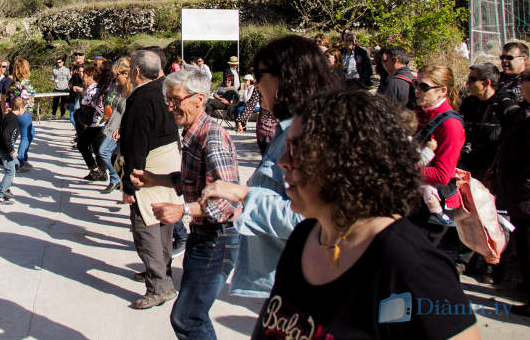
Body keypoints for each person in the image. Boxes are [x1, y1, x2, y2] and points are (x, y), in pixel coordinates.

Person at [250, 89, 479, 339]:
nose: (283, 161)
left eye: (296, 149)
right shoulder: (305, 236)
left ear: (348, 159)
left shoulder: (412, 268)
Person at [201, 35, 342, 298]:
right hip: (283, 279)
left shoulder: (310, 135)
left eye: (259, 74)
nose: (255, 83)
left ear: (285, 77)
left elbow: (311, 220)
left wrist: (244, 195)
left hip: (302, 283)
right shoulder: (284, 131)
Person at [130, 68, 240, 339]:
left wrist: (183, 211)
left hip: (218, 240)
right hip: (204, 239)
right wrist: (157, 179)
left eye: (175, 99)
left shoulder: (211, 137)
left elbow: (226, 199)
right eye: (168, 99)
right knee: (191, 316)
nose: (170, 106)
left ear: (199, 99)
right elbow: (195, 180)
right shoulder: (193, 133)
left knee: (187, 317)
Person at [119, 48, 181, 309]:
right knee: (164, 220)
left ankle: (159, 285)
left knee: (145, 225)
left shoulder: (141, 98)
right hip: (170, 163)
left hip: (149, 167)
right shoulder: (165, 90)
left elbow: (135, 144)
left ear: (135, 72)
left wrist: (129, 184)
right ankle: (162, 272)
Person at [492, 67, 530, 317]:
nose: (523, 84)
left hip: (526, 190)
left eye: (526, 79)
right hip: (517, 189)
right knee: (524, 243)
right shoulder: (522, 111)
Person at [413, 64, 466, 225]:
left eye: (424, 87)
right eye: (416, 84)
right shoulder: (420, 111)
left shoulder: (450, 125)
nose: (417, 90)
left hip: (433, 202)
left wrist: (404, 169)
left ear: (442, 91)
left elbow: (443, 174)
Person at [458, 62, 513, 180]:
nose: (467, 83)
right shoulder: (468, 103)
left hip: (493, 170)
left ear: (486, 83)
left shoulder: (504, 105)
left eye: (472, 79)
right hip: (467, 165)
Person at [98, 57, 131, 194]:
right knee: (110, 154)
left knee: (104, 151)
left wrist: (121, 127)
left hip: (121, 128)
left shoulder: (132, 91)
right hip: (112, 124)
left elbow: (130, 112)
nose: (115, 77)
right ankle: (117, 180)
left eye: (117, 74)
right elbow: (110, 102)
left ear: (126, 74)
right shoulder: (118, 87)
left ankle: (117, 180)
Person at [75, 64, 107, 181]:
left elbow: (100, 107)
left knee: (83, 145)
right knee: (97, 148)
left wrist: (92, 112)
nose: (83, 77)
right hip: (97, 124)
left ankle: (96, 170)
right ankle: (99, 172)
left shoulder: (92, 90)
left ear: (91, 76)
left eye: (85, 75)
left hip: (96, 125)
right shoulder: (97, 88)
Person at [0, 96, 25, 205]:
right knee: (10, 171)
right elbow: (6, 135)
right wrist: (11, 150)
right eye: (24, 108)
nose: (24, 110)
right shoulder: (13, 119)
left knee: (15, 164)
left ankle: (5, 189)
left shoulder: (9, 116)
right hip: (4, 147)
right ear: (20, 108)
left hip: (1, 145)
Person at [8, 59, 37, 172]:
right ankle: (19, 162)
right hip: (24, 113)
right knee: (25, 137)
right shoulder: (25, 83)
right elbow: (25, 99)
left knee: (31, 133)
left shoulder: (13, 84)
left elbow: (7, 98)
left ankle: (23, 158)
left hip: (16, 112)